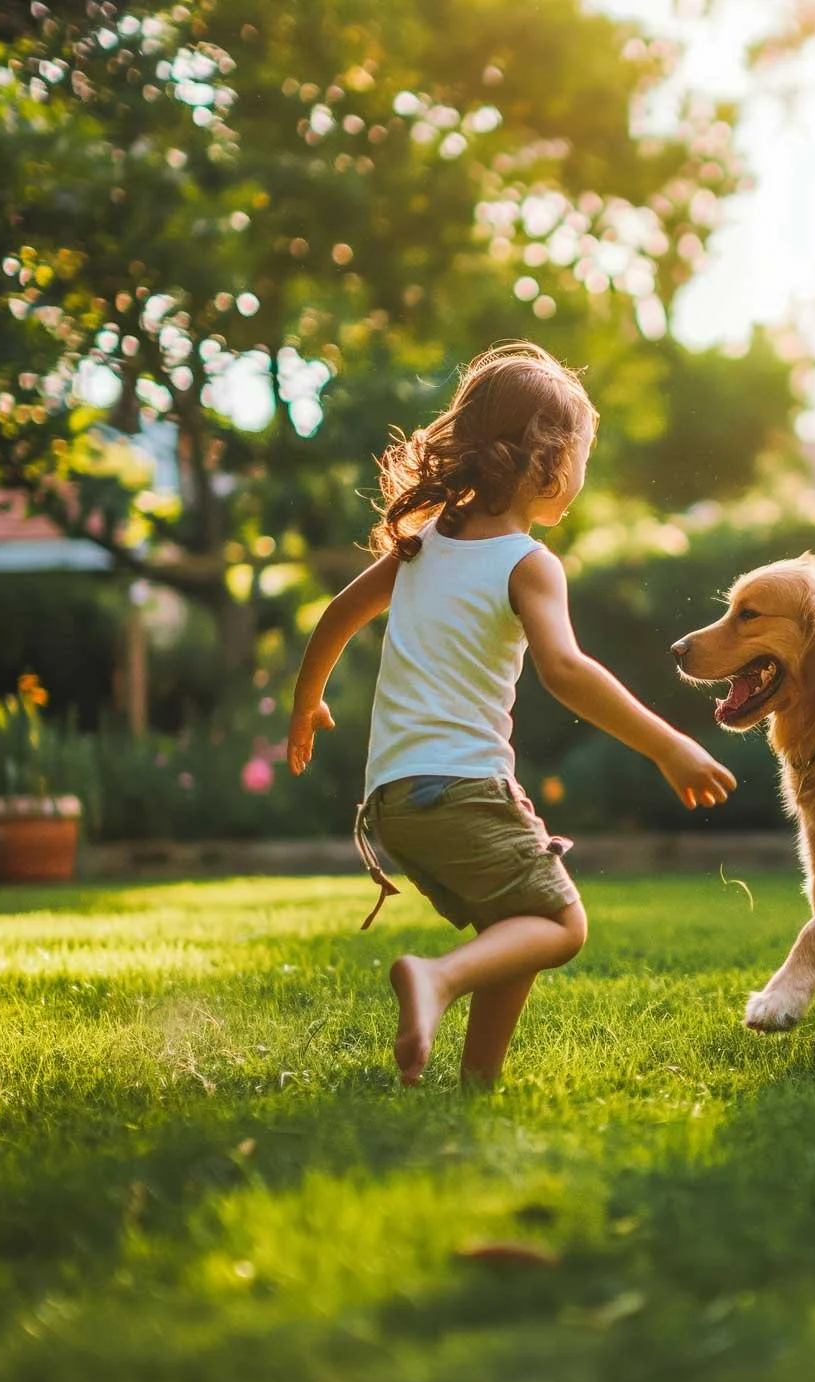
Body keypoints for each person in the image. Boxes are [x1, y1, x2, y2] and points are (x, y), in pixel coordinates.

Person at [287, 341, 736, 1085]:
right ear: (548, 462)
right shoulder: (528, 562)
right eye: (585, 455)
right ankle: (436, 979)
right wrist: (668, 745)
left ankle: (478, 1082)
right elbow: (565, 670)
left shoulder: (423, 544)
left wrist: (308, 704)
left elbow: (337, 614)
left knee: (513, 923)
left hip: (393, 801)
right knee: (560, 923)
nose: (583, 475)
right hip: (464, 789)